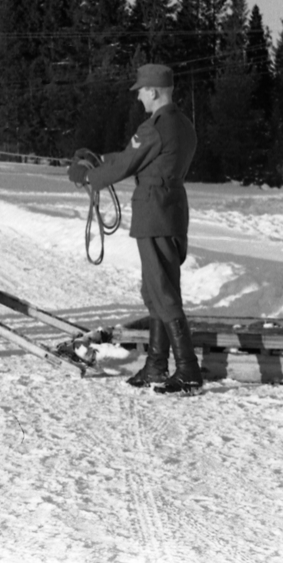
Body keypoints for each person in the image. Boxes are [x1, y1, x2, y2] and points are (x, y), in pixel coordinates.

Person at [68, 64, 202, 395]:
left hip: (154, 213)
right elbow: (140, 158)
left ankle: (188, 371)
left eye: (141, 90)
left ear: (154, 92)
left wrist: (87, 176)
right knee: (158, 289)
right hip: (171, 211)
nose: (139, 96)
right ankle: (157, 364)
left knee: (162, 292)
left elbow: (129, 162)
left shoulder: (155, 127)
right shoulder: (184, 126)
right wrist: (101, 160)